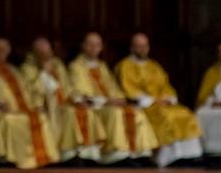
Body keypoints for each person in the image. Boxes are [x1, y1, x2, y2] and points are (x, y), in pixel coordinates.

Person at [67, 31, 157, 164]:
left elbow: (113, 88)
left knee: (135, 112)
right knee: (115, 113)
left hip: (108, 104)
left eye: (97, 45)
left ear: (101, 47)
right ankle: (115, 155)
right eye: (90, 44)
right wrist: (107, 101)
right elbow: (82, 94)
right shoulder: (76, 66)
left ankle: (141, 153)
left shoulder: (102, 66)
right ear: (83, 46)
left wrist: (119, 99)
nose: (94, 48)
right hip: (95, 106)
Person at [115, 32, 203, 168]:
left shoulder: (154, 65)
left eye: (145, 46)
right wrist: (154, 101)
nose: (143, 49)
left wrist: (168, 99)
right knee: (167, 116)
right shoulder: (125, 66)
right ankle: (169, 158)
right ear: (132, 47)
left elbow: (165, 85)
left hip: (162, 103)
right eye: (139, 46)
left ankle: (190, 155)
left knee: (186, 114)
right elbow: (129, 90)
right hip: (144, 105)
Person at [0, 37, 60, 169]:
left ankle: (40, 159)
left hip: (20, 109)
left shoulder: (13, 70)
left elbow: (28, 90)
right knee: (13, 120)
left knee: (40, 117)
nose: (1, 53)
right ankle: (8, 158)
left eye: (4, 50)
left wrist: (36, 105)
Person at [20, 36, 106, 162]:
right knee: (70, 113)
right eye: (40, 52)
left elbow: (68, 86)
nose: (45, 54)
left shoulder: (57, 63)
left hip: (65, 102)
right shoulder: (28, 68)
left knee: (86, 111)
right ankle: (67, 154)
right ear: (34, 52)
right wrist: (44, 70)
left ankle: (86, 154)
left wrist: (78, 100)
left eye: (47, 50)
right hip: (48, 105)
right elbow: (36, 91)